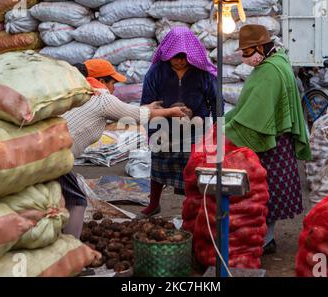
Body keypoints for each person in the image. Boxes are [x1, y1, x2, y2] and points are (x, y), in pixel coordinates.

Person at [60, 59, 190, 238]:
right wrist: (169, 112)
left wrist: (148, 108)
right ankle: (70, 248)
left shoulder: (78, 95)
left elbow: (123, 112)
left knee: (57, 200)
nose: (115, 87)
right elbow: (135, 115)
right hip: (56, 158)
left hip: (53, 155)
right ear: (102, 81)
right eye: (113, 82)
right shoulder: (101, 98)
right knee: (76, 201)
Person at [224, 25, 312, 254]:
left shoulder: (270, 71)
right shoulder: (277, 61)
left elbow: (256, 111)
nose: (245, 57)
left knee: (265, 191)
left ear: (261, 47)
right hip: (278, 138)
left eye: (248, 51)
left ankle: (265, 239)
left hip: (271, 141)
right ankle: (265, 237)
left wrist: (230, 127)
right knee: (270, 191)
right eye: (243, 53)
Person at [140, 27, 221, 218]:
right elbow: (146, 104)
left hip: (195, 127)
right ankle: (154, 204)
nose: (179, 61)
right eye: (175, 57)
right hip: (164, 125)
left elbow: (216, 100)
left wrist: (217, 128)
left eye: (184, 57)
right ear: (167, 54)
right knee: (159, 164)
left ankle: (191, 207)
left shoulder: (202, 73)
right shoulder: (156, 72)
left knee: (192, 166)